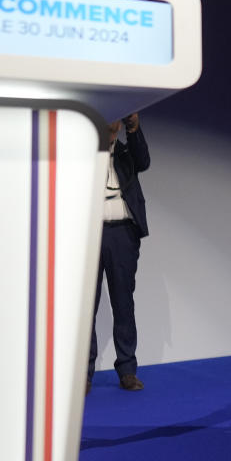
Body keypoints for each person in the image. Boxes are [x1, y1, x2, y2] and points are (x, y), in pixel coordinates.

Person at [87, 113, 150, 395]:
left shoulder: (126, 153)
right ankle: (84, 375)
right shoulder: (84, 154)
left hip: (123, 234)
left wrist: (134, 128)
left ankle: (127, 370)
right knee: (86, 306)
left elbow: (144, 161)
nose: (110, 128)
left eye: (114, 123)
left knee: (123, 303)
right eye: (105, 123)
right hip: (89, 235)